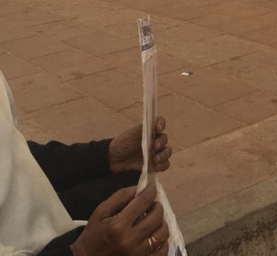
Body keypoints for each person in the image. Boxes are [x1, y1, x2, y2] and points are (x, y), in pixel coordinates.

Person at [0, 70, 171, 256]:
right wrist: (83, 251)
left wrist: (105, 156)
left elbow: (14, 154)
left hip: (34, 212)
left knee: (131, 187)